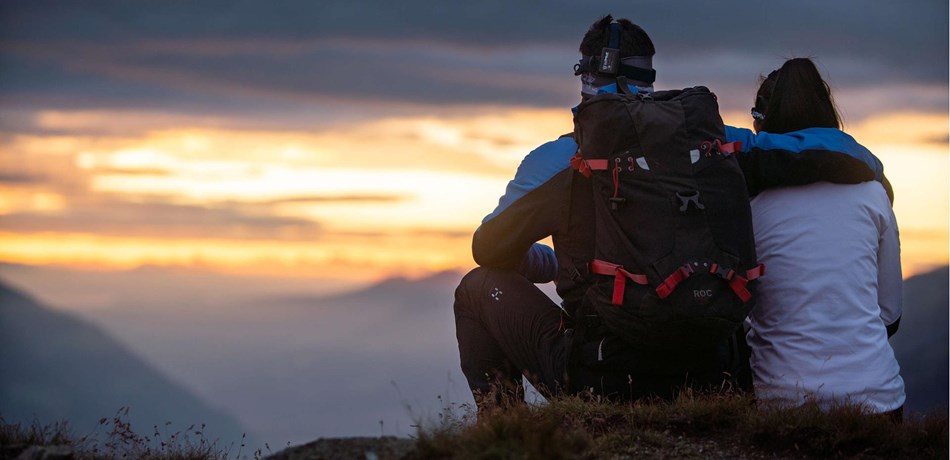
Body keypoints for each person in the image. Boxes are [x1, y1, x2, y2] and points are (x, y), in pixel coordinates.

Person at [453, 15, 746, 410]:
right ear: (650, 76)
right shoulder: (716, 147)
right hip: (713, 369)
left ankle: (506, 429)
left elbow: (489, 249)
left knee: (476, 287)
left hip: (605, 375)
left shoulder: (563, 159)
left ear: (587, 78)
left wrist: (555, 265)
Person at [728, 58, 905, 418]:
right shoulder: (873, 194)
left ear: (763, 125)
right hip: (878, 400)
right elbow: (890, 313)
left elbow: (740, 309)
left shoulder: (749, 205)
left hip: (781, 400)